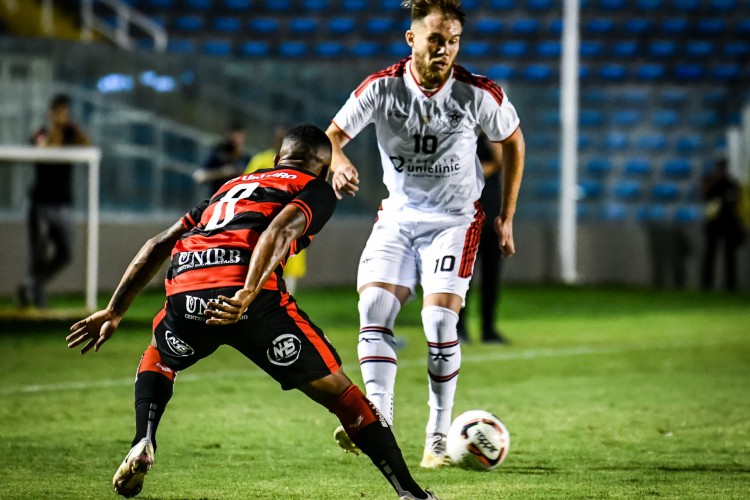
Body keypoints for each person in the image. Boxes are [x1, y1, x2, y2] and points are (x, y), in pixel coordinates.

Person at [66, 125, 439, 500]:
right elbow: (277, 233)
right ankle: (410, 492)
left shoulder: (231, 187)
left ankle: (143, 439)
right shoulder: (314, 188)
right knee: (341, 394)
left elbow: (158, 244)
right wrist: (246, 294)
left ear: (278, 159)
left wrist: (114, 310)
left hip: (188, 289)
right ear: (323, 169)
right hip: (248, 296)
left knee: (159, 356)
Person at [326, 0, 525, 468]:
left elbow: (513, 140)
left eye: (453, 41)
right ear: (412, 39)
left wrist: (507, 215)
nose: (445, 50)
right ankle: (380, 419)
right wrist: (338, 159)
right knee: (373, 307)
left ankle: (438, 434)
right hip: (397, 218)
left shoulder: (477, 93)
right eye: (436, 39)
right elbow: (333, 136)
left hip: (455, 221)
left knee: (439, 323)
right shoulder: (382, 88)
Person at [18, 93, 90, 309]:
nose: (62, 116)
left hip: (63, 204)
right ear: (51, 112)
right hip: (41, 203)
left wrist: (73, 130)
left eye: (65, 111)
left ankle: (32, 285)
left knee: (66, 253)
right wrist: (57, 128)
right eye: (59, 111)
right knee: (38, 251)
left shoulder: (71, 132)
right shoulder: (43, 132)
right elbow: (46, 150)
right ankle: (34, 293)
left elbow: (87, 145)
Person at [456, 134, 508, 344]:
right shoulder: (461, 136)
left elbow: (504, 162)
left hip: (491, 214)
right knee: (462, 276)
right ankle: (459, 328)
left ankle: (489, 328)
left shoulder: (494, 134)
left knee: (491, 274)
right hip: (466, 216)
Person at [245, 125, 307, 294]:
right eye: (279, 138)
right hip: (263, 227)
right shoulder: (260, 161)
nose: (281, 142)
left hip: (289, 228)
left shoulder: (302, 164)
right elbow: (247, 191)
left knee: (287, 282)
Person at [700, 157, 744, 291]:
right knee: (710, 254)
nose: (721, 171)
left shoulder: (732, 184)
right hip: (713, 223)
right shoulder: (711, 182)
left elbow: (735, 201)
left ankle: (731, 284)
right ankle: (706, 284)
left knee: (729, 255)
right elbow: (705, 195)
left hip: (728, 223)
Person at [192, 123, 250, 194]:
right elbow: (199, 176)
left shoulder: (246, 158)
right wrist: (222, 173)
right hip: (217, 198)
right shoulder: (216, 152)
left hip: (238, 200)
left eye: (239, 136)